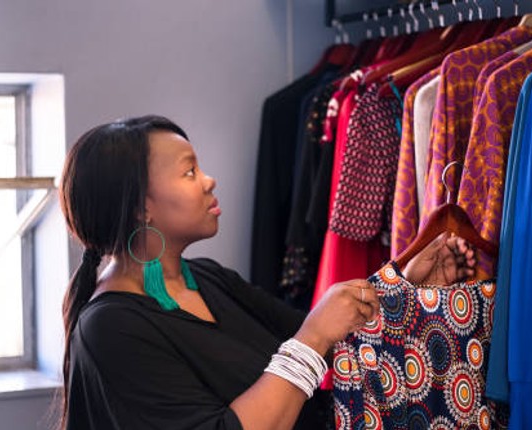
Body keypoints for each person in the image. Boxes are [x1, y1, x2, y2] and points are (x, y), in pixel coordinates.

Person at [58, 115, 476, 430]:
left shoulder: (206, 278)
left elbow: (333, 338)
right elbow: (311, 339)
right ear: (139, 206)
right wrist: (312, 339)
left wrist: (405, 281)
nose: (208, 181)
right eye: (189, 172)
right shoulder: (110, 329)